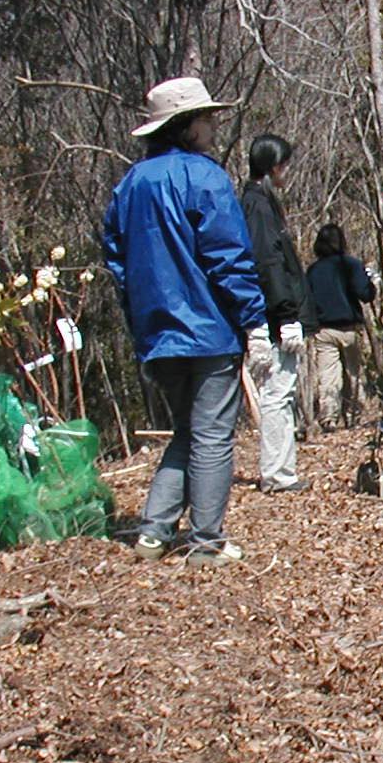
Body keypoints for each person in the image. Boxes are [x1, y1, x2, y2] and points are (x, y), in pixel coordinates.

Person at [102, 76, 267, 567]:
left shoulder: (130, 185)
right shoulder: (204, 177)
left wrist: (141, 316)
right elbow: (228, 256)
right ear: (186, 125)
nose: (213, 127)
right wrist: (254, 320)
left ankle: (153, 532)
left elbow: (117, 261)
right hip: (209, 329)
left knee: (186, 431)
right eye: (207, 119)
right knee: (212, 436)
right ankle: (206, 541)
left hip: (157, 332)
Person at [241, 134, 316, 493]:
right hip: (274, 318)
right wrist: (286, 317)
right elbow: (268, 263)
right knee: (277, 395)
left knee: (282, 393)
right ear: (273, 167)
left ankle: (283, 471)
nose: (287, 171)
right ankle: (277, 475)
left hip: (276, 314)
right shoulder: (257, 206)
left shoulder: (263, 203)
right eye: (284, 165)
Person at [305, 223, 375, 430]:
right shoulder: (351, 265)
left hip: (323, 330)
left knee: (328, 375)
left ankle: (329, 417)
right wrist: (371, 283)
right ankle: (354, 415)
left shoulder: (313, 271)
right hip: (350, 327)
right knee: (353, 373)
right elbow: (365, 294)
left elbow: (307, 301)